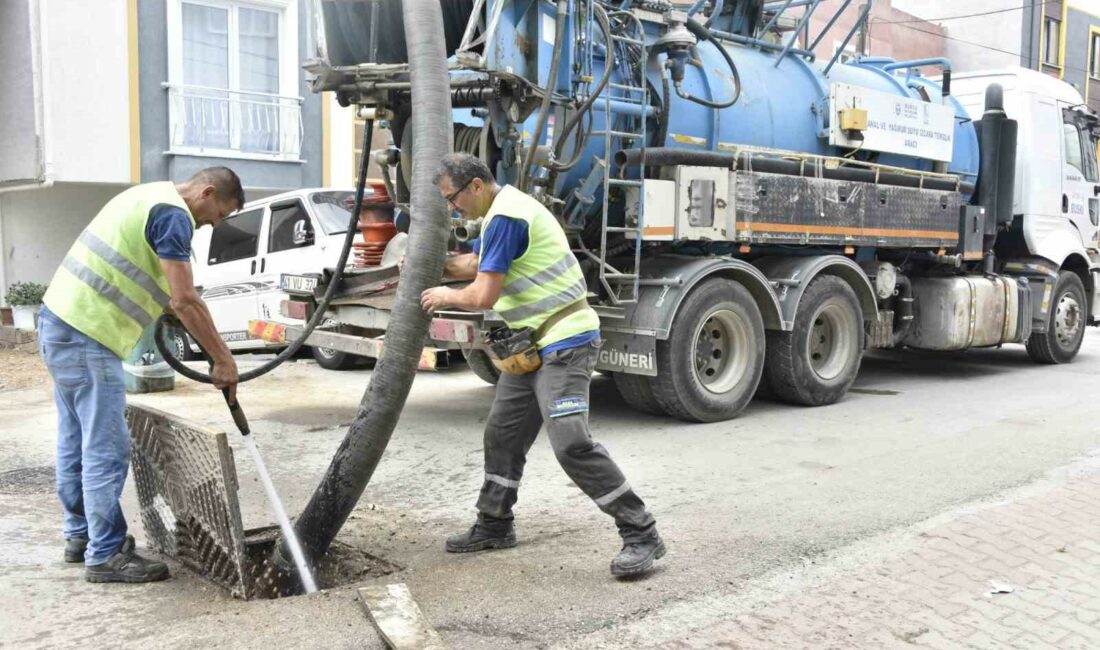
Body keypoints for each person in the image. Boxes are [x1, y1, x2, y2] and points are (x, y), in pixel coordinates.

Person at [419, 153, 665, 577]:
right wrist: (428, 264)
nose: (452, 207)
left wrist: (443, 294)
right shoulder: (503, 212)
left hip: (566, 343)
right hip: (532, 347)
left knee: (571, 442)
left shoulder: (506, 218)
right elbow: (475, 263)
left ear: (476, 186)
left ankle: (641, 532)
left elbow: (482, 295)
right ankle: (494, 524)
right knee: (503, 435)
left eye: (453, 198)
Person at [38, 167, 244, 583]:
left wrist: (173, 312)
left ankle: (81, 536)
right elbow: (185, 299)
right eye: (220, 213)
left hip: (58, 322)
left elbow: (161, 291)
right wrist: (223, 359)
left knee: (75, 441)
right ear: (206, 192)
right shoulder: (173, 217)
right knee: (106, 450)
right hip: (89, 335)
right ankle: (107, 553)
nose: (214, 224)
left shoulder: (148, 195)